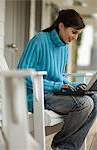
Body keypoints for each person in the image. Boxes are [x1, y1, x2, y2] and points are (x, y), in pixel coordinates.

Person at [17, 9, 97, 150]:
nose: (75, 37)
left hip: (54, 94)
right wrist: (56, 86)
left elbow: (59, 77)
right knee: (84, 103)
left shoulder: (64, 47)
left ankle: (67, 146)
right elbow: (23, 74)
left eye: (78, 33)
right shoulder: (39, 41)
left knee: (95, 98)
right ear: (61, 26)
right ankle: (62, 145)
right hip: (36, 96)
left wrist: (74, 86)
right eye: (74, 32)